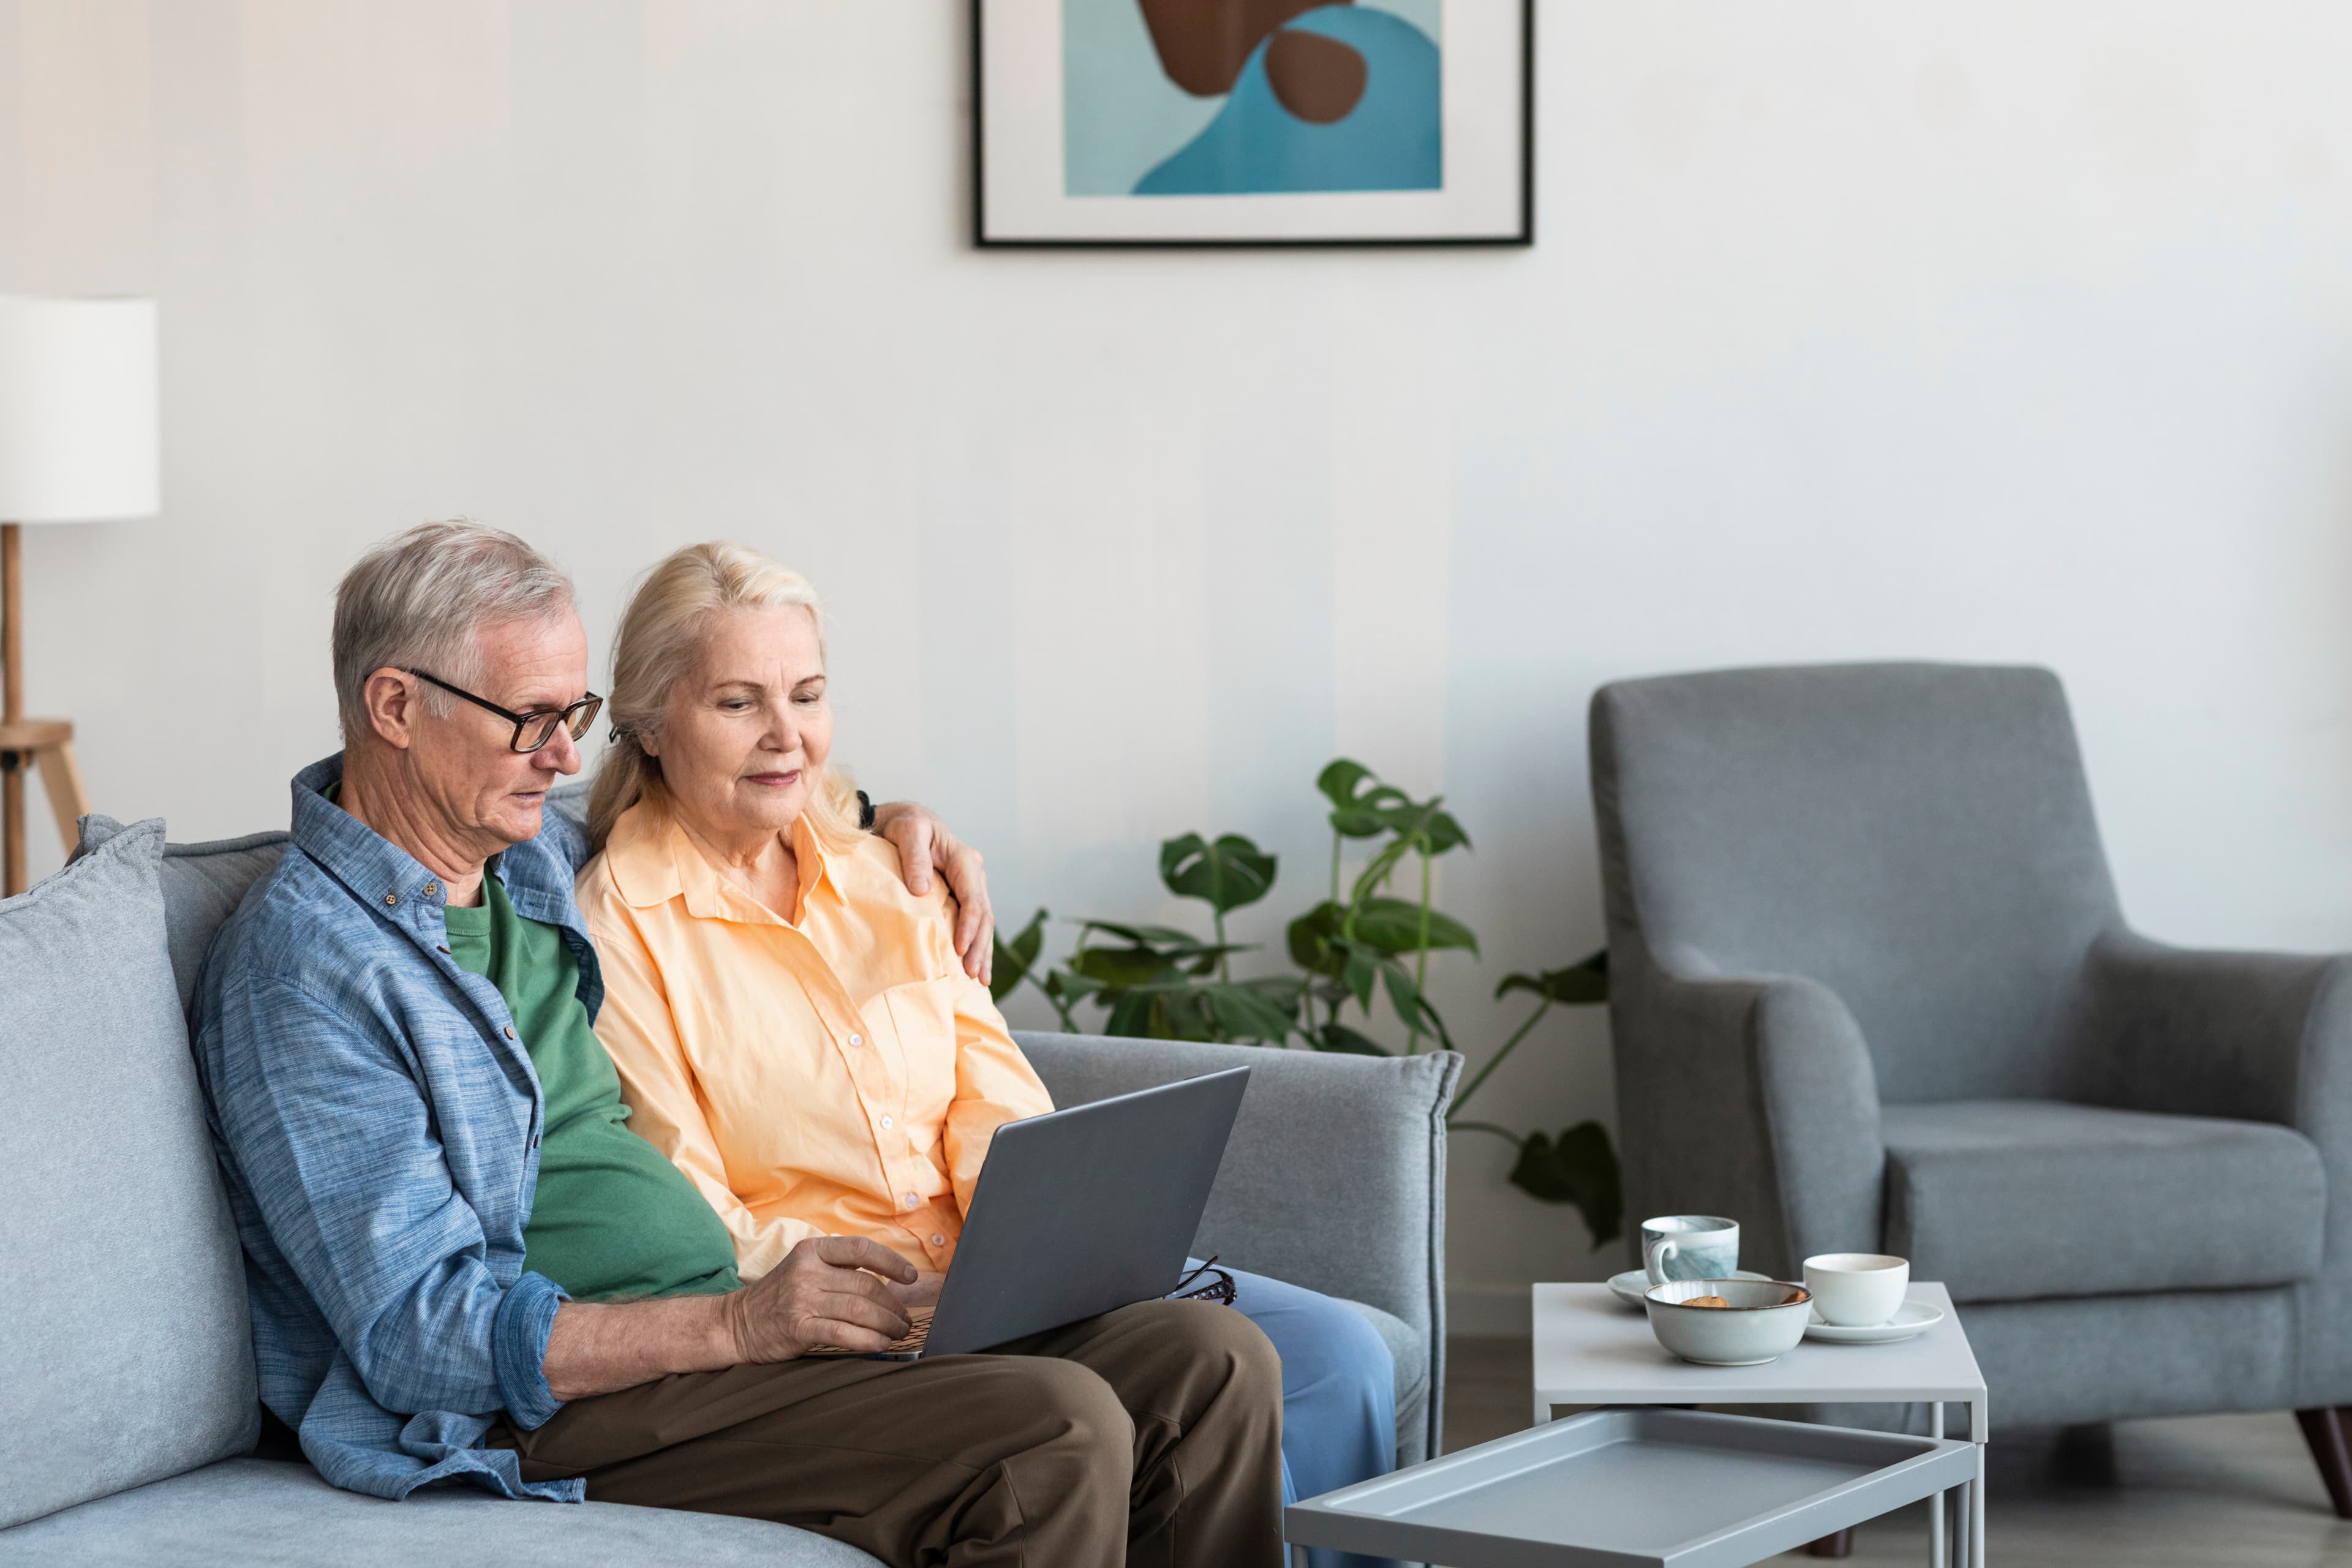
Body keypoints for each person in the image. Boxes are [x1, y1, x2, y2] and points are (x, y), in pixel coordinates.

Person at [192, 521, 1286, 1567]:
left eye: (573, 710)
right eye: (531, 719)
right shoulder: (306, 971)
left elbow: (727, 781)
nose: (565, 750)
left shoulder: (520, 858)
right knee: (1049, 1429)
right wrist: (741, 1323)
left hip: (722, 1326)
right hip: (549, 1407)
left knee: (1207, 1361)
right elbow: (416, 1337)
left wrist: (895, 818)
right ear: (394, 706)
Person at [572, 541, 1400, 1568]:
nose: (787, 736)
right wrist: (891, 1294)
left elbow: (995, 1095)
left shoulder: (889, 872)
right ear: (651, 724)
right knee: (1130, 1390)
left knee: (1232, 1356)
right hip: (842, 1312)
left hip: (987, 1278)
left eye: (809, 695)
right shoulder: (618, 926)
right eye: (738, 704)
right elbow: (689, 1209)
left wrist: (1032, 1249)